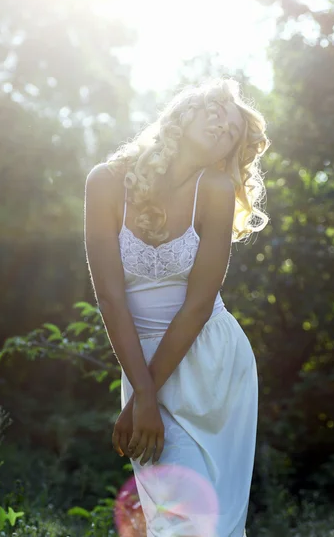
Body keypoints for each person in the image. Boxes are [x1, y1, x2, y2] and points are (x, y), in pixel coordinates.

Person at [84, 77, 270, 536]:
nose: (222, 128)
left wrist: (146, 394)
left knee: (216, 525)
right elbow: (109, 297)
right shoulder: (106, 181)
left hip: (213, 363)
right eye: (215, 113)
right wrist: (143, 392)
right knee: (183, 522)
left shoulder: (216, 189)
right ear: (182, 114)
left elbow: (199, 304)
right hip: (143, 363)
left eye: (231, 131)